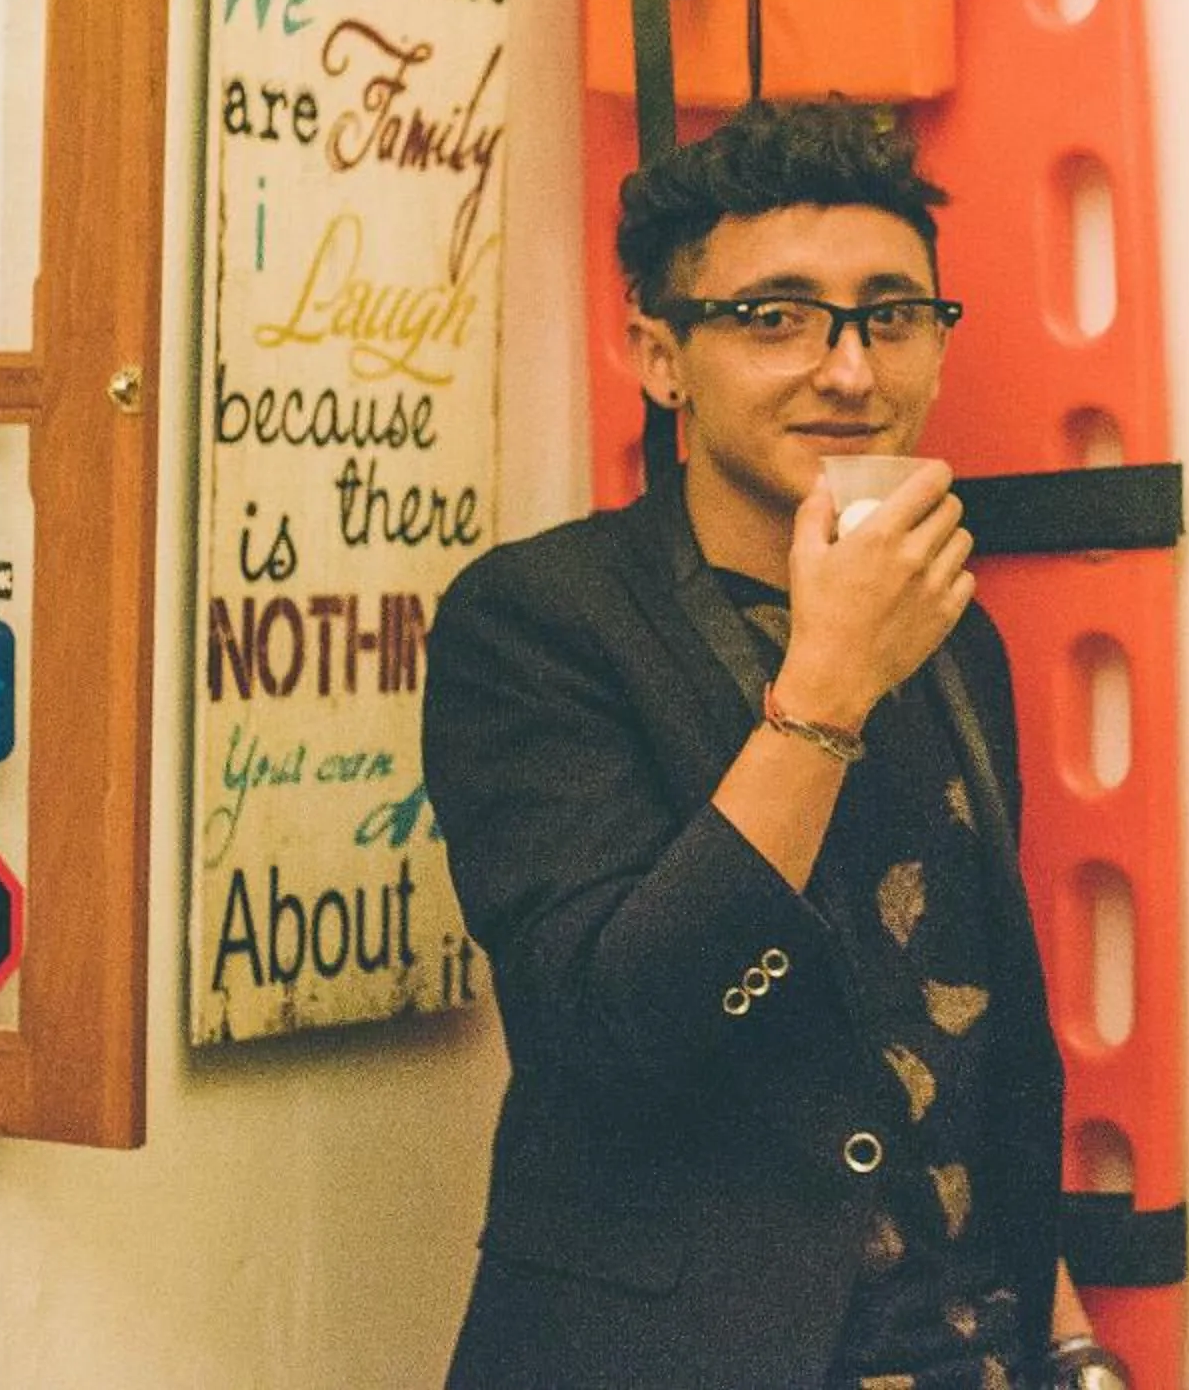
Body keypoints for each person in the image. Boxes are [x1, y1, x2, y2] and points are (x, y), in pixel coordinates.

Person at [424, 101, 1125, 1390]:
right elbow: (611, 1032)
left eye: (892, 314)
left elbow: (960, 1040)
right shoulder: (538, 622)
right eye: (776, 318)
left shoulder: (954, 636)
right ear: (659, 354)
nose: (851, 371)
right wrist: (827, 687)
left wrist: (1065, 1332)